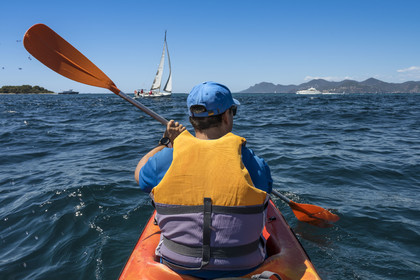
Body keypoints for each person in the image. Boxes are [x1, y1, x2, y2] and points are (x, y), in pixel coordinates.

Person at [134, 81, 273, 279]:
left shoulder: (167, 158)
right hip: (246, 267)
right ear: (227, 116)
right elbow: (266, 188)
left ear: (191, 119)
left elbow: (139, 174)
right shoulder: (252, 162)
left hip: (178, 265)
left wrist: (167, 143)